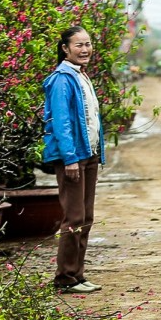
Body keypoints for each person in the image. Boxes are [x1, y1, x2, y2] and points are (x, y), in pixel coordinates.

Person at [42, 26, 105, 294]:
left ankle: (77, 274)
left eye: (88, 44)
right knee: (74, 217)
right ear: (65, 49)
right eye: (78, 45)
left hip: (88, 154)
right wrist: (69, 159)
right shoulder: (61, 79)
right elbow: (61, 122)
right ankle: (65, 278)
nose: (85, 49)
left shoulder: (81, 76)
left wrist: (96, 152)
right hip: (73, 157)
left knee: (86, 216)